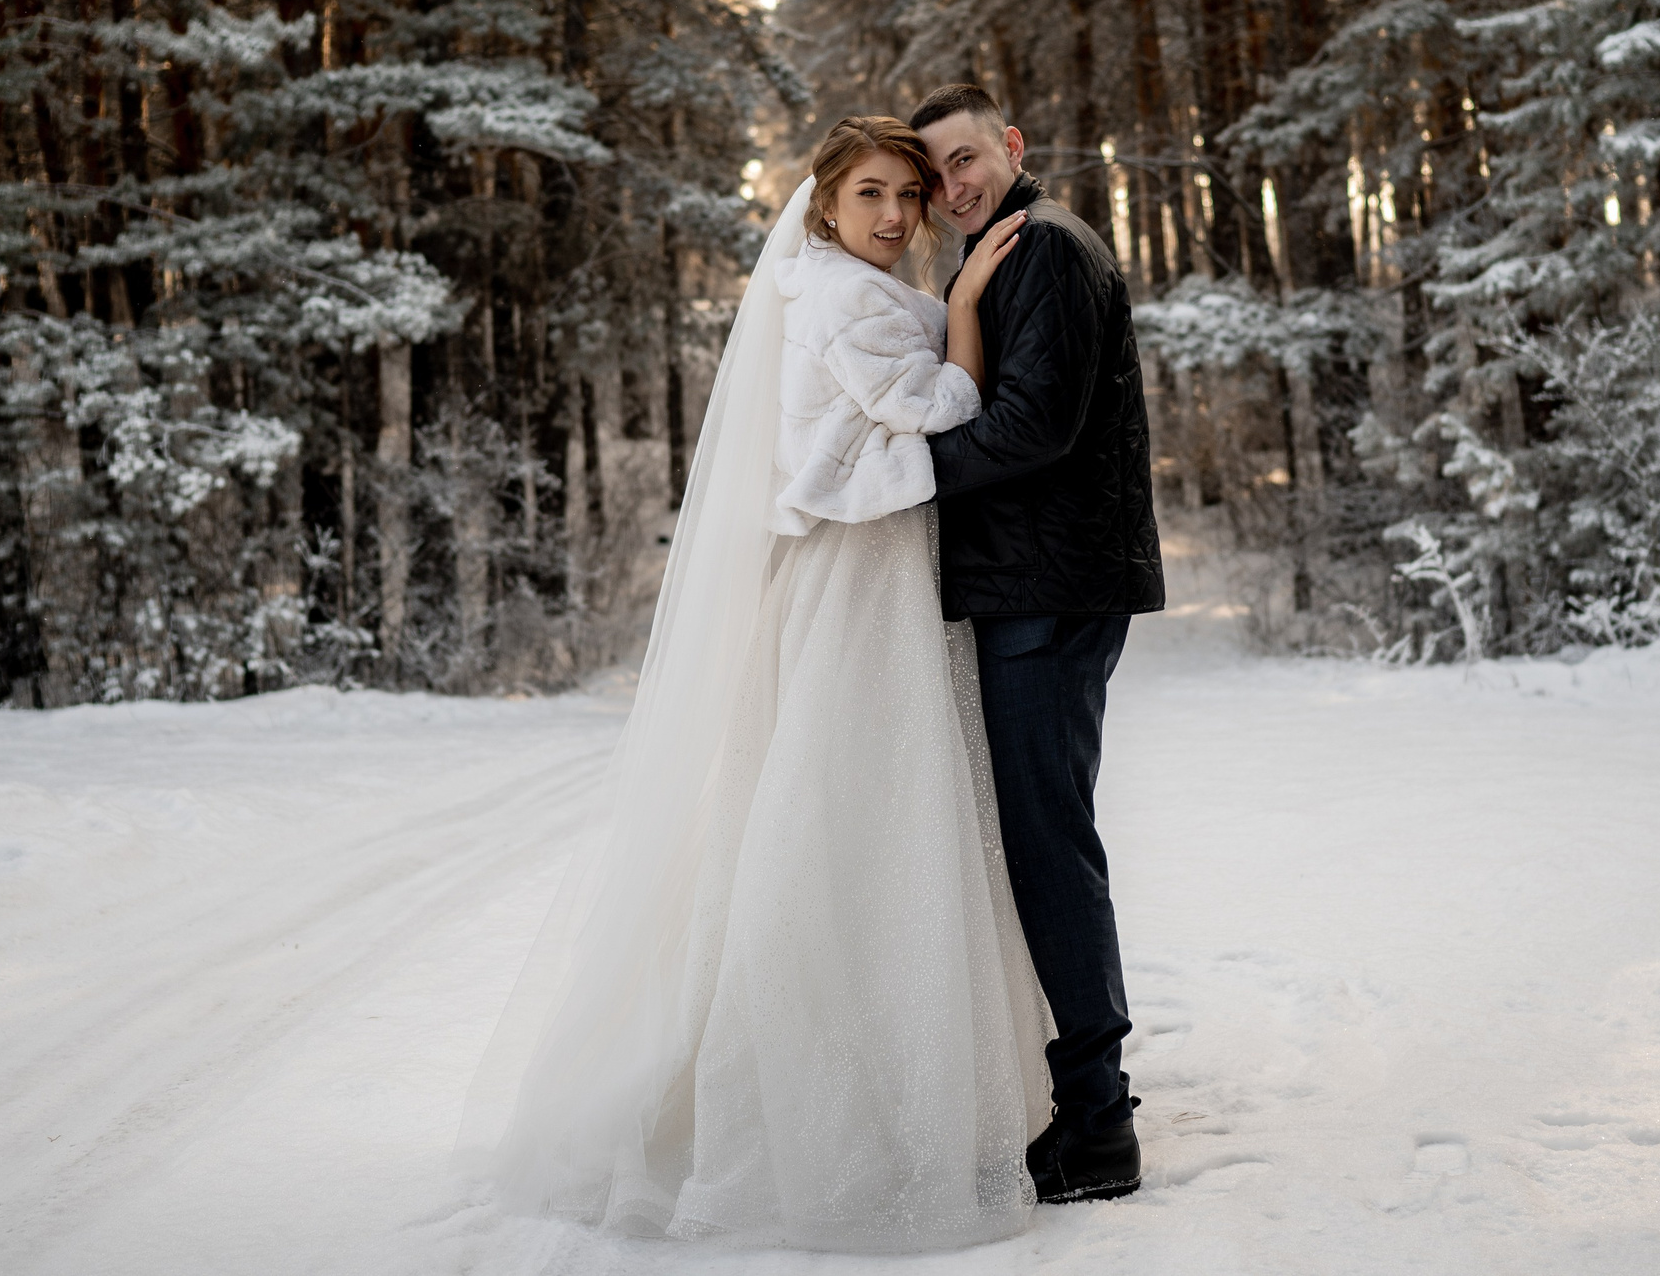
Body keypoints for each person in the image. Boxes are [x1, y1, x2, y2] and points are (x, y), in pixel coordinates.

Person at [470, 116, 1046, 1252]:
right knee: (841, 818)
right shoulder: (843, 297)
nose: (893, 215)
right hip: (854, 579)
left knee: (858, 816)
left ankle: (888, 1078)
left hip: (870, 571)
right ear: (824, 202)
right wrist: (970, 308)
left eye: (909, 196)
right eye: (870, 192)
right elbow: (947, 410)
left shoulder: (832, 286)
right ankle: (815, 1106)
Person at [911, 82, 1165, 1204]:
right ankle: (1083, 1097)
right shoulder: (1008, 253)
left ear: (1009, 146)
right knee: (1042, 841)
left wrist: (891, 477)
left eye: (967, 159)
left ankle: (1099, 1122)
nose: (955, 186)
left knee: (1051, 845)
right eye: (937, 178)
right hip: (1034, 588)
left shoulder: (1048, 248)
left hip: (1049, 595)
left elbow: (1030, 427)